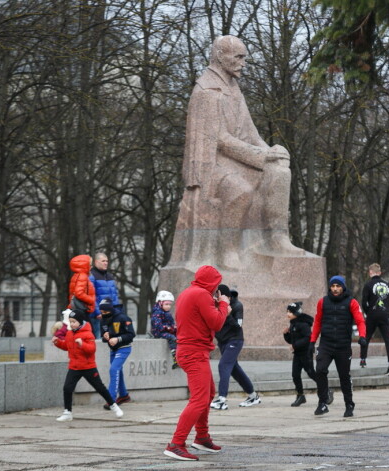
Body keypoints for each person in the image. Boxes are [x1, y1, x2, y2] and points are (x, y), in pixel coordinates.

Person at [175, 35, 301, 271]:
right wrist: (260, 156)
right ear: (221, 57)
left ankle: (278, 238)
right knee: (240, 190)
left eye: (244, 57)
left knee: (281, 172)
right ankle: (228, 249)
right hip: (212, 166)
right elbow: (220, 140)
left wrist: (271, 150)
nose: (243, 63)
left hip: (238, 160)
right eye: (239, 57)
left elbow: (251, 133)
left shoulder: (233, 89)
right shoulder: (207, 90)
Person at [164, 265, 229, 462]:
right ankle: (176, 444)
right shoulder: (202, 294)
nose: (217, 288)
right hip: (194, 352)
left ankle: (202, 437)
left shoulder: (189, 292)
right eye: (216, 284)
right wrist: (224, 304)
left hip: (191, 350)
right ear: (211, 283)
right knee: (200, 399)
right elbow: (216, 323)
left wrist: (216, 304)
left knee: (208, 393)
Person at [51, 309, 123, 422]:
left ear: (80, 321)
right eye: (70, 321)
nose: (72, 324)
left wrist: (82, 344)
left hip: (88, 367)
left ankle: (114, 405)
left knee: (100, 388)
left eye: (74, 321)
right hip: (74, 366)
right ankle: (67, 412)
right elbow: (67, 346)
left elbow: (92, 349)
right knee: (67, 388)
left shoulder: (88, 333)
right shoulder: (69, 333)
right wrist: (58, 343)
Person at [310, 275, 366, 418]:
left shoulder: (351, 302)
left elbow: (360, 320)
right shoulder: (322, 302)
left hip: (342, 345)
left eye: (338, 286)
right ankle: (322, 402)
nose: (335, 289)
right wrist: (312, 341)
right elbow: (317, 322)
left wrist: (362, 336)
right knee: (320, 370)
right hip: (326, 344)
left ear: (343, 287)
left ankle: (349, 404)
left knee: (344, 376)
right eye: (333, 286)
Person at [210, 284, 261, 410]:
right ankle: (253, 396)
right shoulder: (214, 304)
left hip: (234, 340)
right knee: (234, 369)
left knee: (223, 365)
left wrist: (228, 315)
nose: (215, 297)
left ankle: (221, 399)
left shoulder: (237, 306)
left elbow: (238, 326)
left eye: (217, 295)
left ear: (225, 296)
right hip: (222, 341)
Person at [359, 263, 389, 375]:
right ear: (380, 273)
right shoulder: (388, 285)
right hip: (384, 314)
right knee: (387, 339)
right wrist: (387, 313)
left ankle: (363, 360)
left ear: (370, 272)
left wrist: (368, 313)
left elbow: (364, 302)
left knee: (366, 337)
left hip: (372, 314)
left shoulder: (368, 285)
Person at [99, 298, 136, 408]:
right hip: (113, 349)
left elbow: (131, 335)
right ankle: (124, 395)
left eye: (105, 312)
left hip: (124, 348)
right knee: (117, 371)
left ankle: (111, 400)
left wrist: (118, 339)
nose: (103, 314)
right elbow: (103, 337)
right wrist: (106, 336)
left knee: (113, 369)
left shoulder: (123, 318)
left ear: (110, 309)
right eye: (101, 312)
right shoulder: (103, 320)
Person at [283, 301, 320, 407]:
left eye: (290, 312)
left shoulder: (303, 324)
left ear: (296, 313)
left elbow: (308, 338)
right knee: (295, 375)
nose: (288, 314)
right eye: (287, 311)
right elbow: (291, 340)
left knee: (311, 373)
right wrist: (285, 334)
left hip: (306, 353)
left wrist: (295, 345)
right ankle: (300, 396)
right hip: (298, 353)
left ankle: (325, 390)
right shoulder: (293, 323)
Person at [89, 252, 121, 339]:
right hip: (99, 316)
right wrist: (97, 312)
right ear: (96, 262)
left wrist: (117, 311)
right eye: (103, 261)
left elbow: (114, 295)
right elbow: (91, 296)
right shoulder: (92, 276)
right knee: (99, 339)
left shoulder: (110, 276)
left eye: (107, 261)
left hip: (111, 314)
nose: (106, 263)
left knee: (112, 338)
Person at [151, 290, 179, 369]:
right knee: (172, 338)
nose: (168, 306)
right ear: (160, 303)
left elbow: (171, 323)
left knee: (179, 336)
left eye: (169, 305)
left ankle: (182, 355)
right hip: (159, 333)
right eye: (166, 304)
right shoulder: (157, 313)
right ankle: (175, 358)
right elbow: (158, 326)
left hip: (167, 331)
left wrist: (174, 328)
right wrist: (167, 328)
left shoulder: (167, 313)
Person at [67, 254, 96, 319]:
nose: (91, 267)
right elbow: (79, 293)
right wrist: (91, 300)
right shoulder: (82, 276)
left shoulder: (76, 275)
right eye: (90, 264)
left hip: (77, 308)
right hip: (82, 308)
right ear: (85, 266)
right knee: (87, 328)